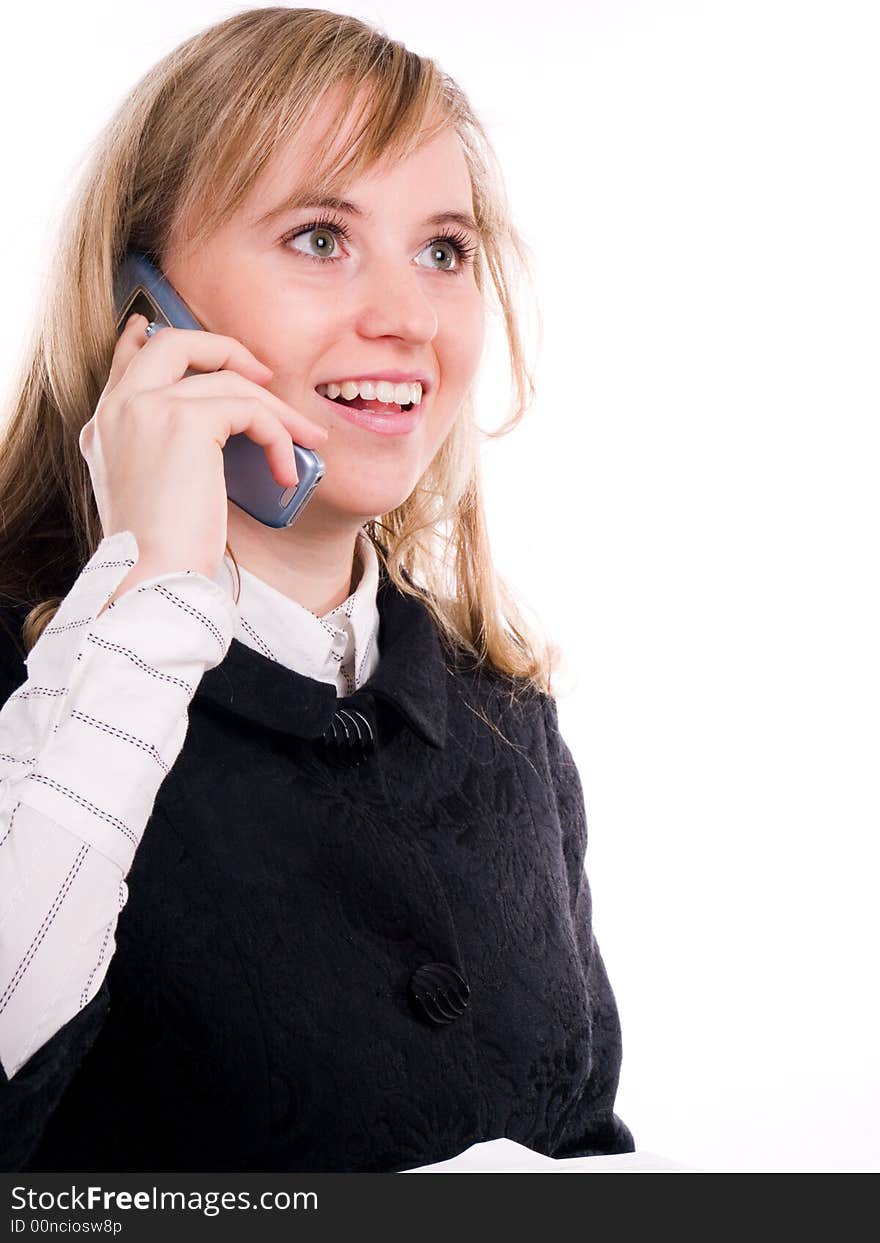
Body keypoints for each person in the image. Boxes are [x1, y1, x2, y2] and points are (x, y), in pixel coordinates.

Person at [0, 6, 634, 1172]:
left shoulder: (501, 716)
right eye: (318, 237)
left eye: (442, 250)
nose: (403, 319)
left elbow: (580, 1137)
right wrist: (152, 601)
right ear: (145, 304)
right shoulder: (33, 695)